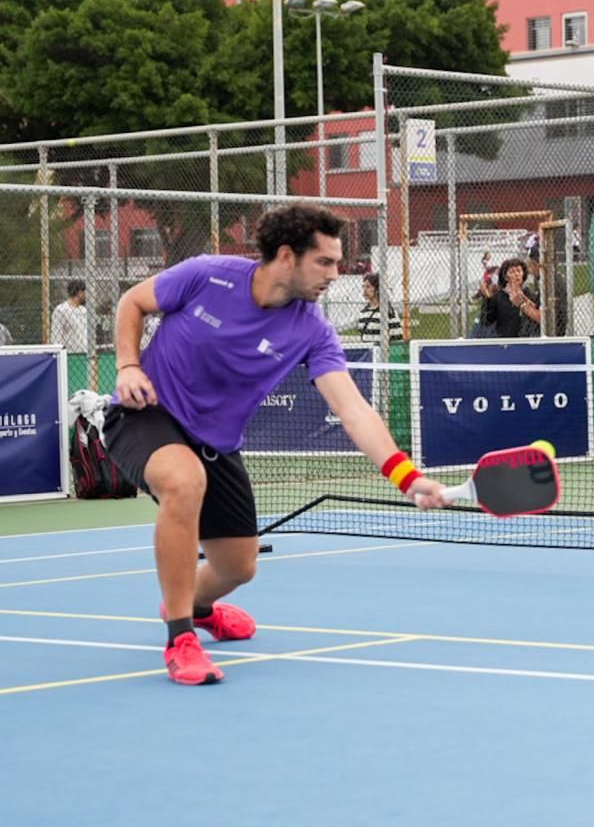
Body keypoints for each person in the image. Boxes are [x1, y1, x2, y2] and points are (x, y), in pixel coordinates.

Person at [103, 204, 448, 685]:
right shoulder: (208, 276)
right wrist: (127, 366)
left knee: (238, 567)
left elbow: (353, 410)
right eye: (324, 262)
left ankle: (194, 604)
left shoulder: (312, 331)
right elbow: (132, 302)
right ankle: (180, 637)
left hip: (214, 442)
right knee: (184, 482)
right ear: (287, 256)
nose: (336, 273)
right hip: (147, 413)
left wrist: (406, 477)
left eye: (337, 262)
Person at [479, 257, 541, 338]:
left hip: (527, 340)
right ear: (505, 276)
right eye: (512, 272)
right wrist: (487, 299)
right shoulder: (499, 296)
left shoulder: (530, 295)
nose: (516, 274)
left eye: (519, 271)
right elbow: (485, 321)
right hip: (506, 341)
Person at [353, 272, 403, 343]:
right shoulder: (363, 312)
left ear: (377, 289)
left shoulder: (388, 311)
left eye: (368, 287)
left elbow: (397, 337)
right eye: (363, 286)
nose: (364, 290)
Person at [51, 279, 90, 353]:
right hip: (69, 354)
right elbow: (56, 338)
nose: (86, 295)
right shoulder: (61, 310)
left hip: (85, 353)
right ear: (79, 293)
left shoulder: (84, 310)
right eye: (85, 292)